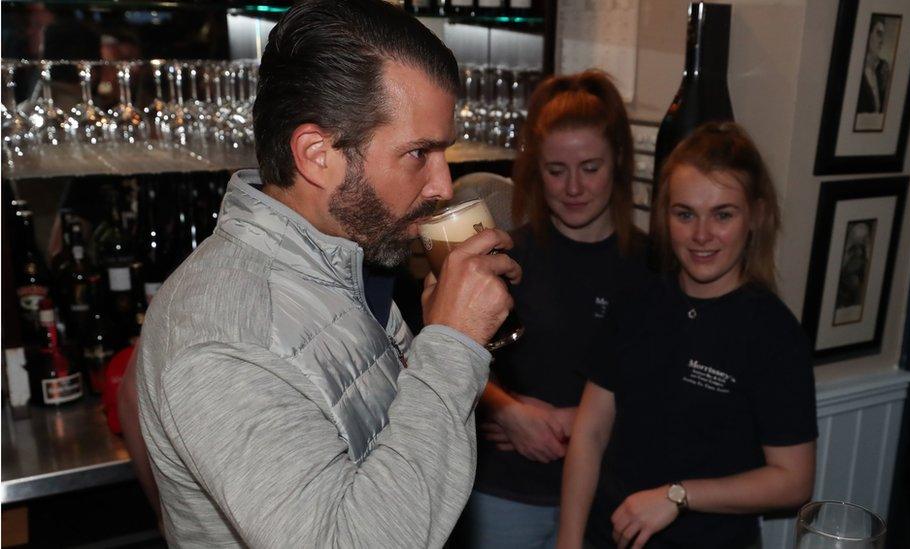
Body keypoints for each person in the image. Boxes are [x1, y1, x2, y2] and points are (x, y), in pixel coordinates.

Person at [131, 1, 521, 546]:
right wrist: (452, 345)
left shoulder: (344, 260)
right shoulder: (224, 333)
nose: (443, 186)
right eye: (418, 153)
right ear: (316, 155)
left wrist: (441, 335)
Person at [558, 122, 818, 549]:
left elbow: (793, 481)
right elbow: (590, 432)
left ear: (755, 215)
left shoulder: (773, 333)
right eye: (685, 214)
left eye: (722, 214)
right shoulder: (636, 301)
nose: (701, 235)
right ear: (665, 215)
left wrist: (677, 496)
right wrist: (567, 542)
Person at [458, 71, 651, 548]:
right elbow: (444, 354)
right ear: (534, 170)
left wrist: (581, 419)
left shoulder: (655, 267)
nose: (573, 187)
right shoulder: (506, 257)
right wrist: (505, 410)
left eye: (590, 167)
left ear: (619, 162)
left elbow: (669, 383)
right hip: (505, 495)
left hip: (615, 497)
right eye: (555, 170)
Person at [857, 18, 891, 115]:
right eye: (878, 34)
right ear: (868, 35)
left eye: (883, 36)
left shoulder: (882, 70)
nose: (881, 41)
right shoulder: (856, 70)